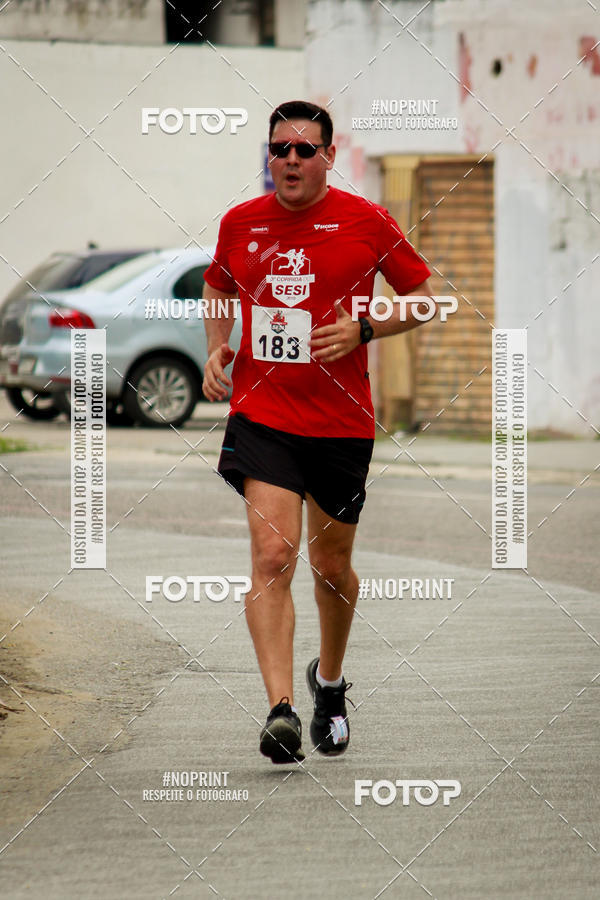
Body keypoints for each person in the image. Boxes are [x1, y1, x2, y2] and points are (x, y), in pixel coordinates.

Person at [202, 99, 435, 764]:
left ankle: (328, 682)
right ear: (269, 158)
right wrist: (218, 348)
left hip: (340, 423)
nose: (292, 160)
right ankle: (280, 710)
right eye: (281, 149)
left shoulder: (366, 221)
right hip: (262, 415)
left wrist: (365, 328)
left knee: (330, 568)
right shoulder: (240, 224)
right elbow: (217, 288)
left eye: (306, 149)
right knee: (272, 559)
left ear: (330, 155)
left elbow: (425, 298)